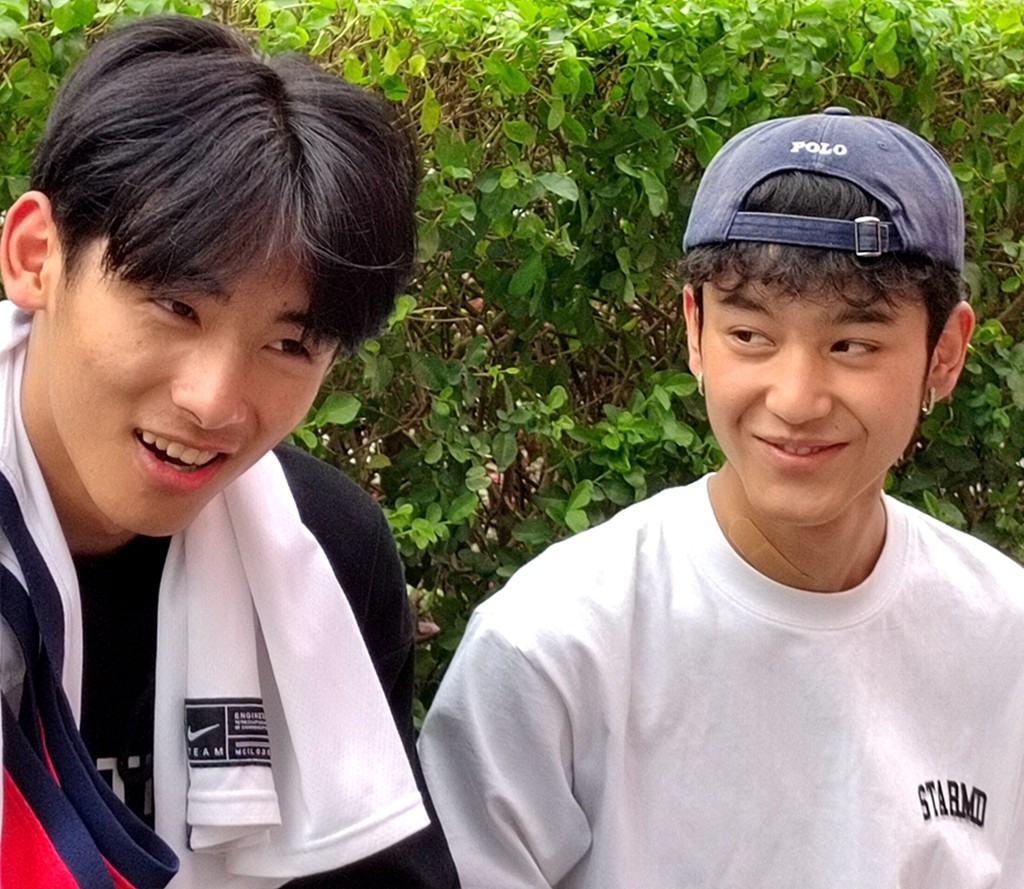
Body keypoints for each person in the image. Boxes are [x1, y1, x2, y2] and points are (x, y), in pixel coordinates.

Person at [417, 107, 1024, 887]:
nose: (796, 398)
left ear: (945, 353)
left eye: (852, 344)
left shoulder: (1003, 636)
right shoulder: (552, 646)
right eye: (751, 336)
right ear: (694, 331)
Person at [0, 14, 458, 888]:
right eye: (176, 306)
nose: (214, 401)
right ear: (36, 257)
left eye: (289, 344)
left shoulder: (328, 550)